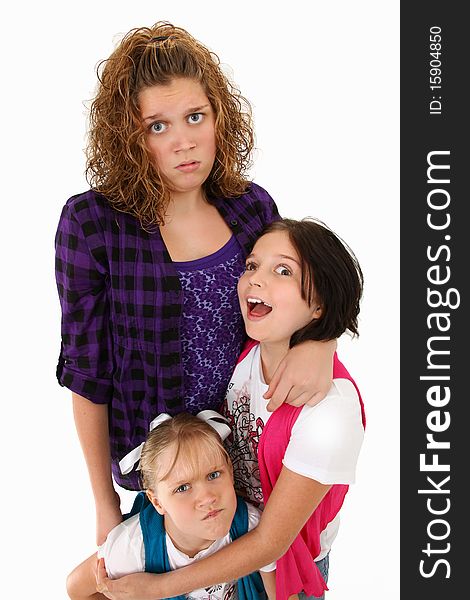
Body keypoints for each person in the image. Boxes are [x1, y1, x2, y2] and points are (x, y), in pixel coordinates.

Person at [55, 22, 336, 547]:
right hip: (168, 478)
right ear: (128, 136)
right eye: (157, 126)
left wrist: (323, 342)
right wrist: (103, 502)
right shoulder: (92, 225)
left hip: (257, 462)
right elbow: (86, 374)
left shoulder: (251, 206)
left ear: (218, 116)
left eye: (194, 117)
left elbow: (300, 294)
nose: (183, 142)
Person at [95, 218, 366, 600]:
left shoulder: (330, 413)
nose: (255, 279)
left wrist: (160, 587)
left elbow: (271, 544)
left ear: (319, 301)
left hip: (283, 570)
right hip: (215, 535)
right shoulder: (246, 352)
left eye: (283, 270)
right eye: (252, 265)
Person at [66, 412, 277, 600]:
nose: (207, 497)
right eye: (183, 488)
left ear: (230, 471)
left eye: (213, 475)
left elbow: (279, 592)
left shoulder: (249, 525)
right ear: (157, 501)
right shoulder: (132, 550)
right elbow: (76, 588)